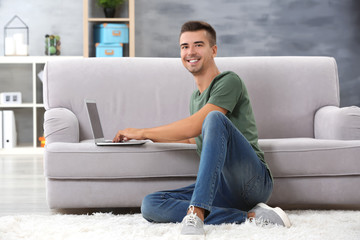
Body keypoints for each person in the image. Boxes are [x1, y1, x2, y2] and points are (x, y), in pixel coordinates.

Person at [113, 21, 291, 239]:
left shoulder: (229, 81)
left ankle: (196, 213)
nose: (190, 52)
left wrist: (142, 131)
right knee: (151, 204)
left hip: (252, 181)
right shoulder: (195, 99)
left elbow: (198, 125)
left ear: (213, 50)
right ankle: (251, 217)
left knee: (213, 118)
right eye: (184, 46)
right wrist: (149, 141)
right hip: (220, 188)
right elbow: (193, 139)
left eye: (198, 45)